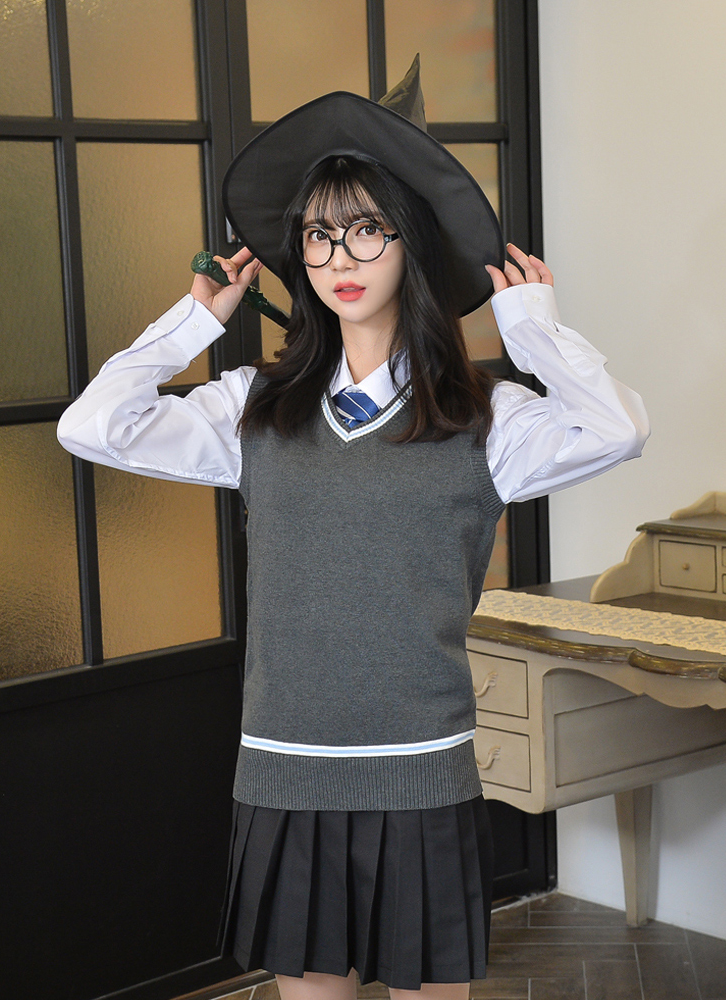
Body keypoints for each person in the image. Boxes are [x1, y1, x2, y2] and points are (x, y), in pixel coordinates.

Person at [57, 62, 648, 1000]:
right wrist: (190, 325)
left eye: (368, 228)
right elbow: (91, 427)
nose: (340, 256)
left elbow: (619, 430)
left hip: (420, 775)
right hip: (286, 773)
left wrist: (534, 333)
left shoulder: (485, 416)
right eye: (320, 234)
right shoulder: (254, 408)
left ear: (413, 243)